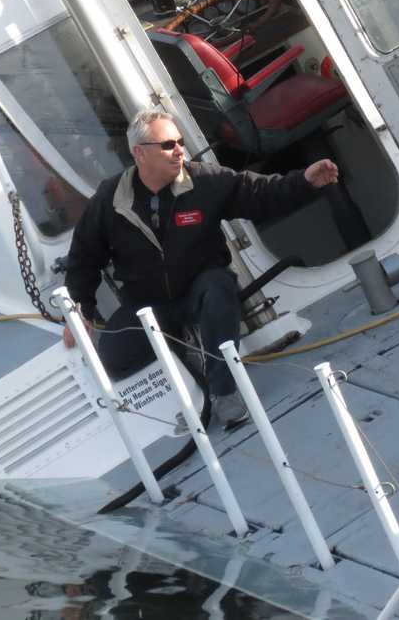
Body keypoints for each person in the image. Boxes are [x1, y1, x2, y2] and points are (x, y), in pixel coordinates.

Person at [63, 109, 339, 429]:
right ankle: (192, 378)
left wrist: (305, 181)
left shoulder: (204, 180)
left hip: (202, 289)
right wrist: (79, 310)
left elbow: (259, 193)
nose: (180, 150)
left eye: (180, 142)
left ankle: (223, 391)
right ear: (139, 153)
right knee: (114, 358)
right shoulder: (110, 199)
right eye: (168, 145)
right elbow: (84, 257)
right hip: (148, 303)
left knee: (218, 288)